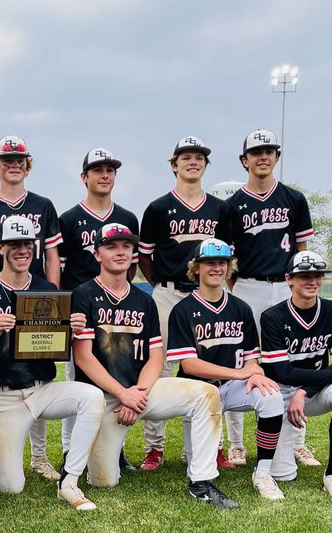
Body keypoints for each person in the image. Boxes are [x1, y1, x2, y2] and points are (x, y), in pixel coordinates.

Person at [72, 223, 235, 507]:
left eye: (126, 246)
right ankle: (97, 455)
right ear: (97, 254)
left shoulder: (144, 300)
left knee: (206, 394)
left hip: (142, 392)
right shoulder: (84, 294)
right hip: (104, 399)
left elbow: (156, 356)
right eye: (111, 246)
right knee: (104, 481)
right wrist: (123, 395)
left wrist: (137, 394)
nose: (120, 252)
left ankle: (202, 481)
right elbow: (84, 356)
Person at [0, 215, 105, 511]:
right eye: (14, 244)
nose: (22, 250)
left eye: (27, 244)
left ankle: (69, 480)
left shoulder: (47, 289)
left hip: (41, 390)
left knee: (92, 396)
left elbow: (56, 344)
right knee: (9, 487)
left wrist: (73, 329)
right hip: (3, 396)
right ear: (0, 247)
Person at [0, 135, 63, 482]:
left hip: (34, 296)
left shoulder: (42, 204)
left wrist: (51, 295)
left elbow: (51, 256)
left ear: (27, 163)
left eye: (20, 158)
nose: (14, 163)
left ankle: (39, 457)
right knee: (1, 369)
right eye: (7, 159)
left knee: (36, 369)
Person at [222, 128, 317, 468]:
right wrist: (236, 291)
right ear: (244, 160)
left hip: (286, 285)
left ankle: (297, 442)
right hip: (247, 286)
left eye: (270, 151)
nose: (263, 156)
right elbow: (227, 262)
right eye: (256, 151)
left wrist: (299, 284)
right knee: (241, 360)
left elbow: (303, 250)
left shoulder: (293, 199)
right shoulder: (232, 206)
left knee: (293, 360)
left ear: (277, 156)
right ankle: (236, 443)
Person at [136, 136, 231, 472]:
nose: (193, 162)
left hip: (207, 295)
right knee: (158, 368)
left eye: (199, 157)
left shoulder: (220, 209)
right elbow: (144, 257)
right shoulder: (159, 207)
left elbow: (229, 258)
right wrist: (160, 285)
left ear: (205, 165)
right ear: (174, 165)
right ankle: (154, 448)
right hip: (167, 292)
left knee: (210, 369)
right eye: (186, 157)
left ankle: (212, 446)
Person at [166, 239, 288, 501]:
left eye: (223, 262)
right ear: (196, 268)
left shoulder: (240, 308)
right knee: (197, 466)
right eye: (209, 262)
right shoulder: (183, 309)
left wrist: (254, 372)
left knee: (272, 397)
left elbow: (251, 359)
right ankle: (198, 460)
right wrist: (240, 373)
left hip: (232, 387)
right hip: (196, 390)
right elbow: (189, 364)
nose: (217, 268)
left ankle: (264, 472)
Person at [259, 250, 332, 500]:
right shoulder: (273, 317)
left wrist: (305, 390)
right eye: (304, 275)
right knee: (283, 474)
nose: (313, 281)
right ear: (289, 279)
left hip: (314, 390)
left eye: (318, 275)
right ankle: (287, 452)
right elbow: (281, 371)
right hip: (281, 393)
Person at [56, 147, 139, 472]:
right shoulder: (69, 218)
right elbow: (60, 268)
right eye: (97, 169)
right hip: (81, 304)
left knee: (119, 371)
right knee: (79, 379)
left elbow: (130, 267)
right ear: (84, 177)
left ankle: (115, 450)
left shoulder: (128, 218)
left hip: (116, 306)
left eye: (110, 169)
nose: (105, 175)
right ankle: (68, 449)